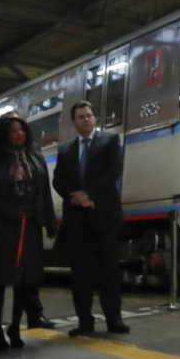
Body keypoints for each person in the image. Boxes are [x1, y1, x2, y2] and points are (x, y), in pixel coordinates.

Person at [0, 117, 58, 351]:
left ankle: (15, 326)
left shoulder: (34, 153)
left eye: (22, 129)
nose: (19, 133)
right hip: (2, 228)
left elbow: (44, 192)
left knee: (26, 280)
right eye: (13, 130)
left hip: (31, 225)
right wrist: (12, 212)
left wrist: (50, 223)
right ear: (4, 134)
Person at [53, 101, 129, 336]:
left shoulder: (110, 140)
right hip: (77, 219)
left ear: (94, 118)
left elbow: (114, 171)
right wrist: (75, 197)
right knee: (80, 272)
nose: (86, 119)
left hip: (104, 215)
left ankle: (114, 319)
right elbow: (58, 180)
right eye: (81, 116)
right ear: (74, 122)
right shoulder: (65, 149)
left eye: (89, 115)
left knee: (108, 269)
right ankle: (84, 321)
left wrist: (89, 193)